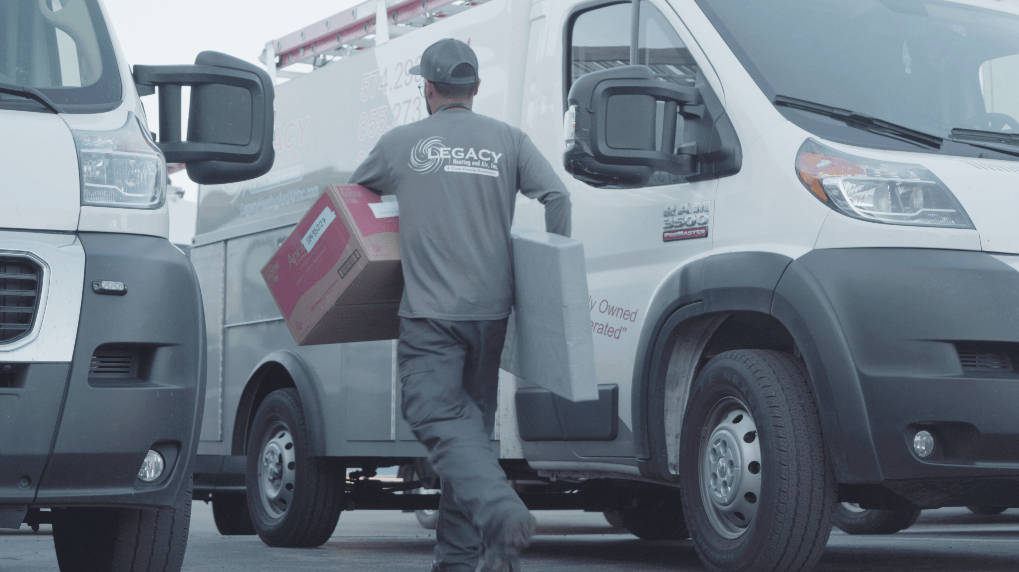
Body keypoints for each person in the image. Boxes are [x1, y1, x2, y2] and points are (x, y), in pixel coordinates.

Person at [348, 38, 571, 572]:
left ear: (427, 88)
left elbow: (354, 198)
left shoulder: (400, 143)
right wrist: (551, 271)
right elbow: (558, 196)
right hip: (490, 319)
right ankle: (464, 559)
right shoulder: (509, 140)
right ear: (475, 88)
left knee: (436, 417)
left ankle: (499, 511)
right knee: (467, 438)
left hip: (429, 316)